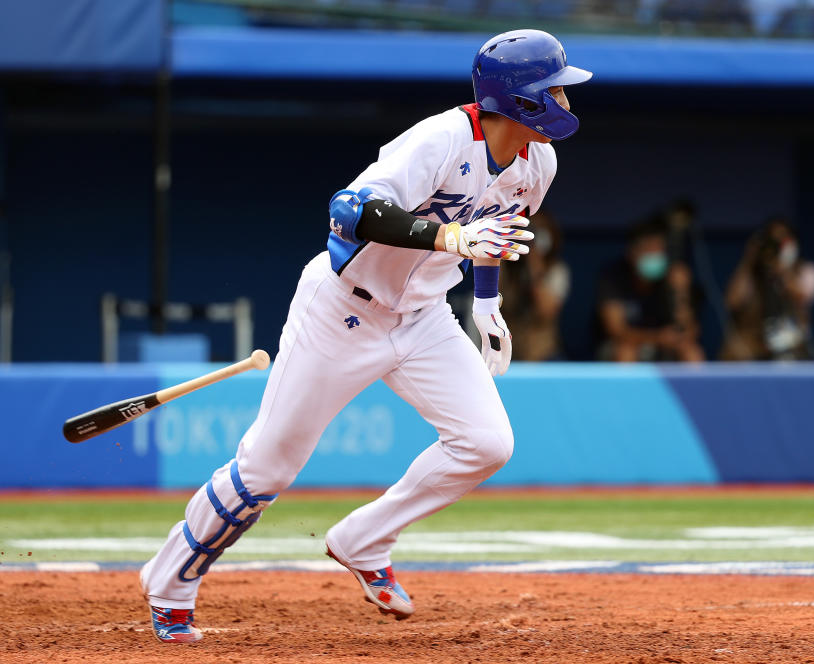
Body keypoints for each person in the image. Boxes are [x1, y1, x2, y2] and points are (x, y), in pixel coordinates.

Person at [138, 29, 591, 643]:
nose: (565, 101)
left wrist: (487, 304)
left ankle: (363, 539)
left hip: (425, 315)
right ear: (520, 100)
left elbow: (498, 232)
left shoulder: (542, 162)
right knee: (267, 468)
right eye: (555, 91)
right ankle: (169, 585)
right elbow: (348, 210)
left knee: (486, 443)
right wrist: (446, 238)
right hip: (343, 312)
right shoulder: (440, 139)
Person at [596, 217, 704, 362]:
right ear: (631, 252)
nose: (654, 255)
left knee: (691, 350)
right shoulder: (613, 277)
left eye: (658, 250)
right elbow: (616, 330)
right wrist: (657, 338)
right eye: (648, 249)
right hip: (629, 344)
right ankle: (627, 386)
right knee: (626, 350)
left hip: (666, 344)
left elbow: (690, 330)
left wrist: (681, 292)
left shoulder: (672, 278)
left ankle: (696, 386)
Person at [720, 218, 814, 361]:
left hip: (790, 339)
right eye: (772, 240)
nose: (775, 246)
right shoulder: (752, 272)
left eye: (781, 241)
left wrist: (783, 268)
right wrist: (748, 259)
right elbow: (732, 301)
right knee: (734, 350)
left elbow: (802, 297)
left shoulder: (807, 270)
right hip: (756, 338)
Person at [497, 209, 571, 361]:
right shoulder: (505, 266)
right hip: (509, 354)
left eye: (538, 231)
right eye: (529, 230)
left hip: (545, 355)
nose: (533, 237)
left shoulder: (557, 270)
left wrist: (534, 264)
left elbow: (545, 311)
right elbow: (494, 301)